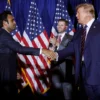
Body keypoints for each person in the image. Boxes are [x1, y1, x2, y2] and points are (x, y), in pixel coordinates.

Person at [50, 3, 100, 100]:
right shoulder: (79, 32)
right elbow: (70, 48)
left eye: (78, 13)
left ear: (87, 13)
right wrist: (55, 54)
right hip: (82, 77)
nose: (76, 15)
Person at [0, 10, 54, 99]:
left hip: (8, 75)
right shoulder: (3, 35)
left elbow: (8, 55)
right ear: (5, 23)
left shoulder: (6, 35)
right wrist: (43, 51)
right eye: (12, 20)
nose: (15, 22)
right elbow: (20, 49)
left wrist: (14, 71)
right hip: (5, 78)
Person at [49, 19, 74, 100]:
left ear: (66, 27)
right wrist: (51, 49)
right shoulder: (53, 37)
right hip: (55, 69)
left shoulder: (71, 38)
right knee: (57, 93)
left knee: (67, 93)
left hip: (67, 68)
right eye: (58, 25)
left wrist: (57, 44)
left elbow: (70, 53)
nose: (59, 27)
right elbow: (51, 52)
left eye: (61, 25)